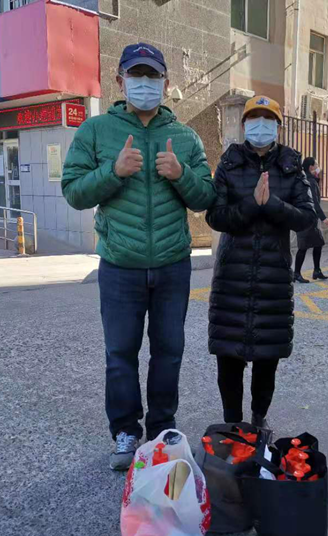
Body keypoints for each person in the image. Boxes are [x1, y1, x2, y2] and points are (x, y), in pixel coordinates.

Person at [62, 43, 217, 470]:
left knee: (169, 352)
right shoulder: (95, 131)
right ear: (120, 81)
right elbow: (73, 192)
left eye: (153, 76)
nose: (145, 84)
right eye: (137, 75)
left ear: (166, 84)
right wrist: (113, 172)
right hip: (120, 266)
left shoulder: (185, 137)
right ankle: (126, 431)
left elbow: (207, 197)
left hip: (171, 265)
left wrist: (181, 175)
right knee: (120, 354)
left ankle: (163, 428)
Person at [206, 96, 317, 429]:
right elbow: (215, 216)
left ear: (278, 126)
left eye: (268, 119)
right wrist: (252, 205)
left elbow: (307, 217)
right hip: (232, 276)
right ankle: (232, 424)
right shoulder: (229, 163)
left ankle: (258, 418)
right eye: (254, 118)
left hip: (273, 277)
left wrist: (272, 205)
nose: (261, 125)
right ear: (244, 124)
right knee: (229, 357)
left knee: (268, 358)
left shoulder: (290, 164)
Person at [294, 158, 328, 283]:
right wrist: (323, 217)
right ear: (311, 167)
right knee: (303, 246)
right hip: (307, 218)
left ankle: (316, 270)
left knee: (318, 243)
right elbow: (314, 201)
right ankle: (297, 273)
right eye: (316, 165)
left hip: (305, 217)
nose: (318, 167)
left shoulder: (305, 179)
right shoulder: (309, 181)